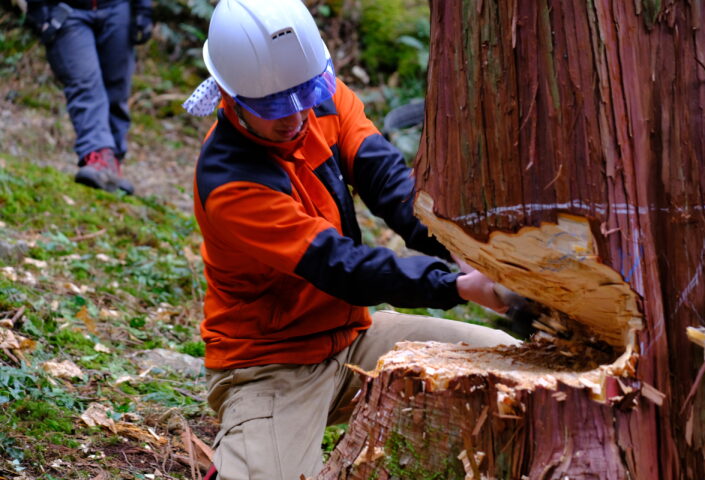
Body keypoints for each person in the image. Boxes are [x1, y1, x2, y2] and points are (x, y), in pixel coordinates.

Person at [183, 1, 520, 478]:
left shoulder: (318, 94)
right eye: (276, 105)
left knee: (509, 366)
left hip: (353, 337)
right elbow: (338, 264)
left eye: (306, 93)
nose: (296, 114)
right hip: (272, 364)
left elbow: (389, 182)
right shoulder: (230, 182)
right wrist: (455, 286)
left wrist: (463, 251)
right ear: (230, 94)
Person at [25, 0, 154, 194]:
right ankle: (97, 155)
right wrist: (39, 9)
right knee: (86, 84)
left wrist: (144, 10)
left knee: (117, 88)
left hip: (118, 8)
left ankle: (111, 163)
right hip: (67, 10)